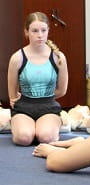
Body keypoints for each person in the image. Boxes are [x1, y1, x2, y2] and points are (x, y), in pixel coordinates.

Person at [7, 12, 68, 146]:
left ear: (48, 31)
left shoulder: (58, 57)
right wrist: (26, 98)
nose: (40, 35)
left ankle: (48, 126)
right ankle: (21, 126)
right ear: (26, 32)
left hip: (49, 107)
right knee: (24, 138)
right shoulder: (17, 58)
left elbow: (62, 90)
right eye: (34, 31)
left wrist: (43, 97)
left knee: (46, 137)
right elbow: (12, 94)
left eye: (43, 30)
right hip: (24, 107)